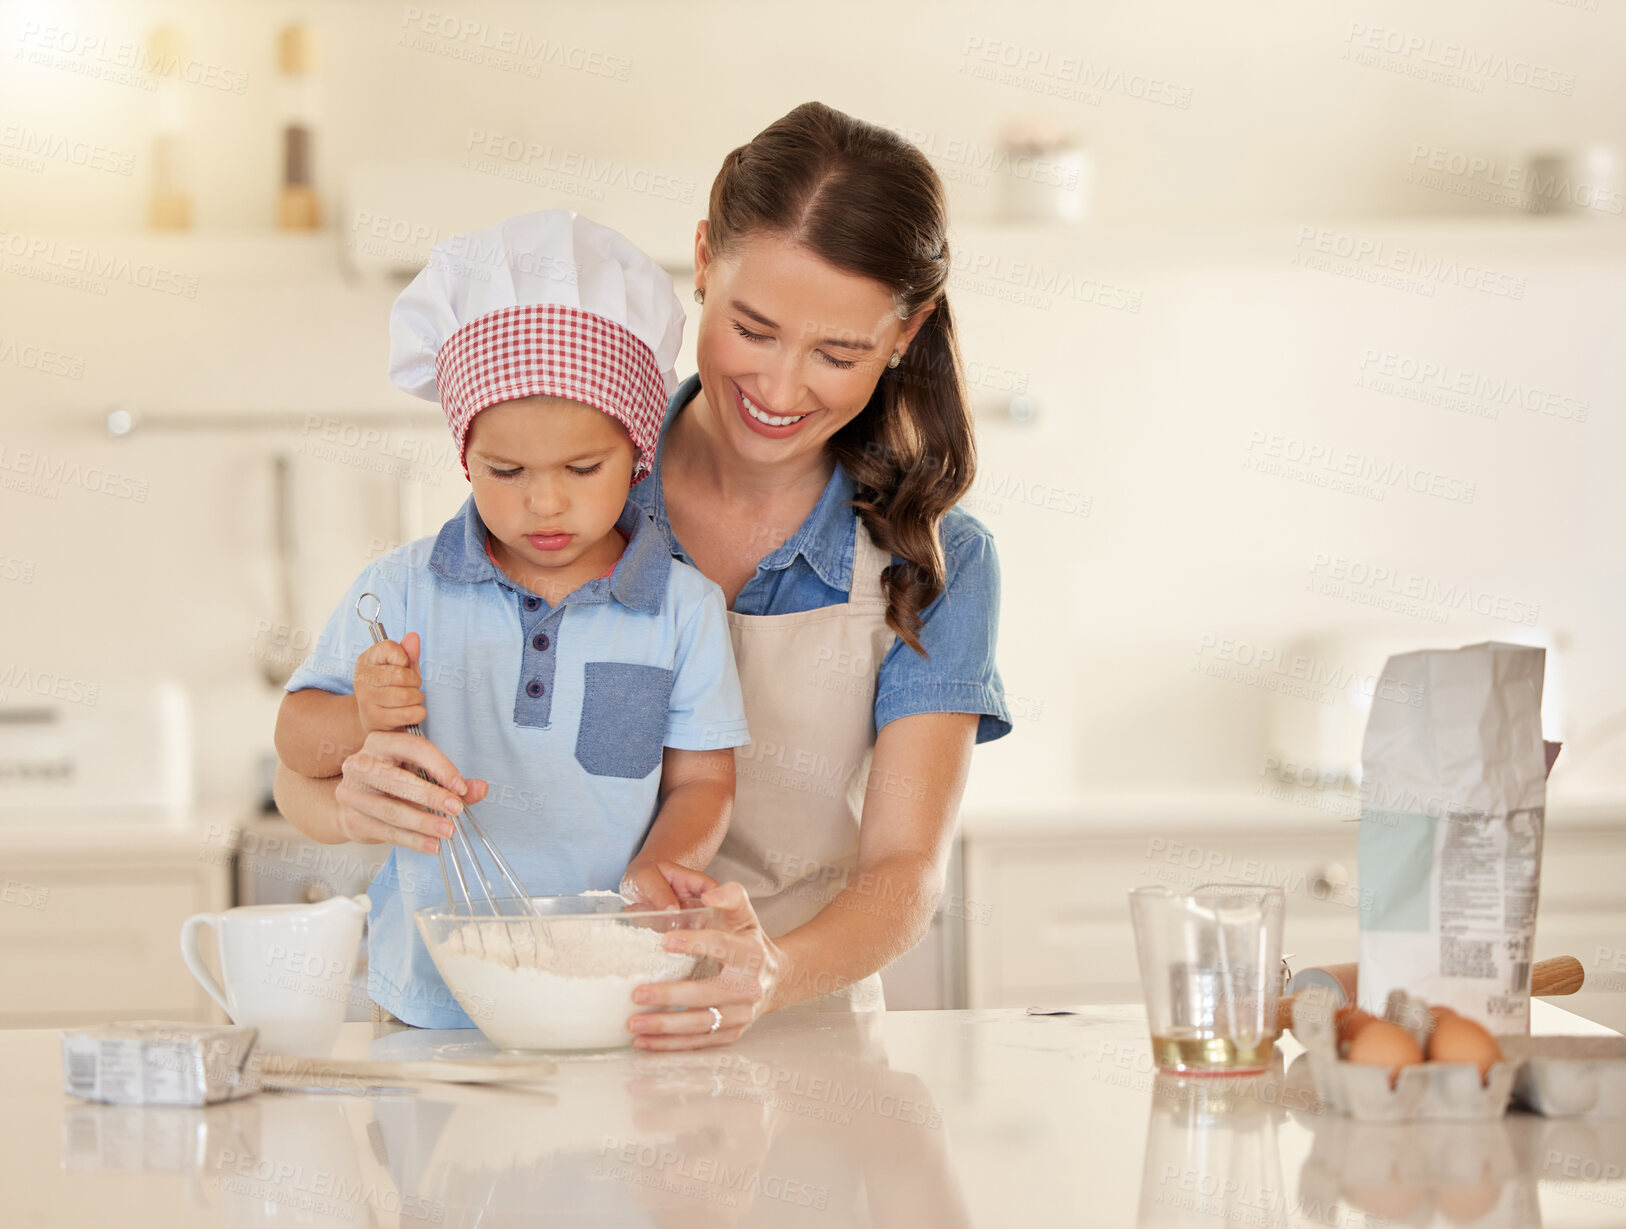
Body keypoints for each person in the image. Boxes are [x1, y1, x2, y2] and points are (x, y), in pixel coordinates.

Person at [275, 101, 1011, 1047]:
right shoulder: (568, 470)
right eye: (752, 327)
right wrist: (351, 798)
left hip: (786, 1042)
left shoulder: (930, 563)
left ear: (905, 335)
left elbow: (904, 873)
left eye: (839, 352)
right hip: (518, 1021)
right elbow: (318, 777)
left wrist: (773, 975)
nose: (781, 390)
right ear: (702, 261)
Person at [274, 210, 750, 1028]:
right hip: (430, 1004)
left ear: (636, 451)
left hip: (608, 993)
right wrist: (361, 715)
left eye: (582, 466)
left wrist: (660, 868)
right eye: (506, 469)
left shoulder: (682, 608)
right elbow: (295, 742)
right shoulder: (403, 591)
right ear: (464, 454)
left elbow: (703, 781)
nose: (545, 500)